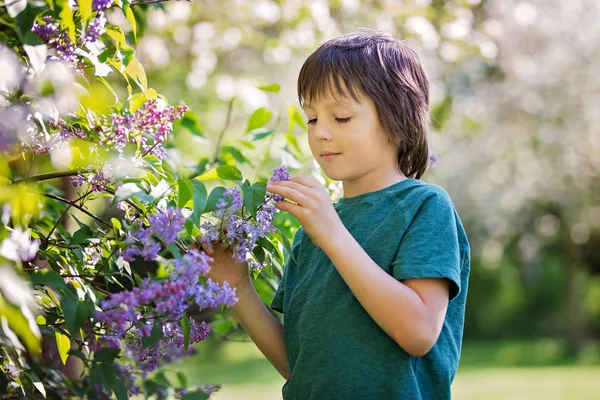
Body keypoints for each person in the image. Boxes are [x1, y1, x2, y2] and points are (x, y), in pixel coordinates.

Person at [198, 30, 470, 400]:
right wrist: (238, 286)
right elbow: (300, 364)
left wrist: (332, 234)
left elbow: (419, 332)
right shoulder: (310, 232)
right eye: (311, 118)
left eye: (341, 117)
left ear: (398, 120)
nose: (321, 133)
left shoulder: (423, 207)